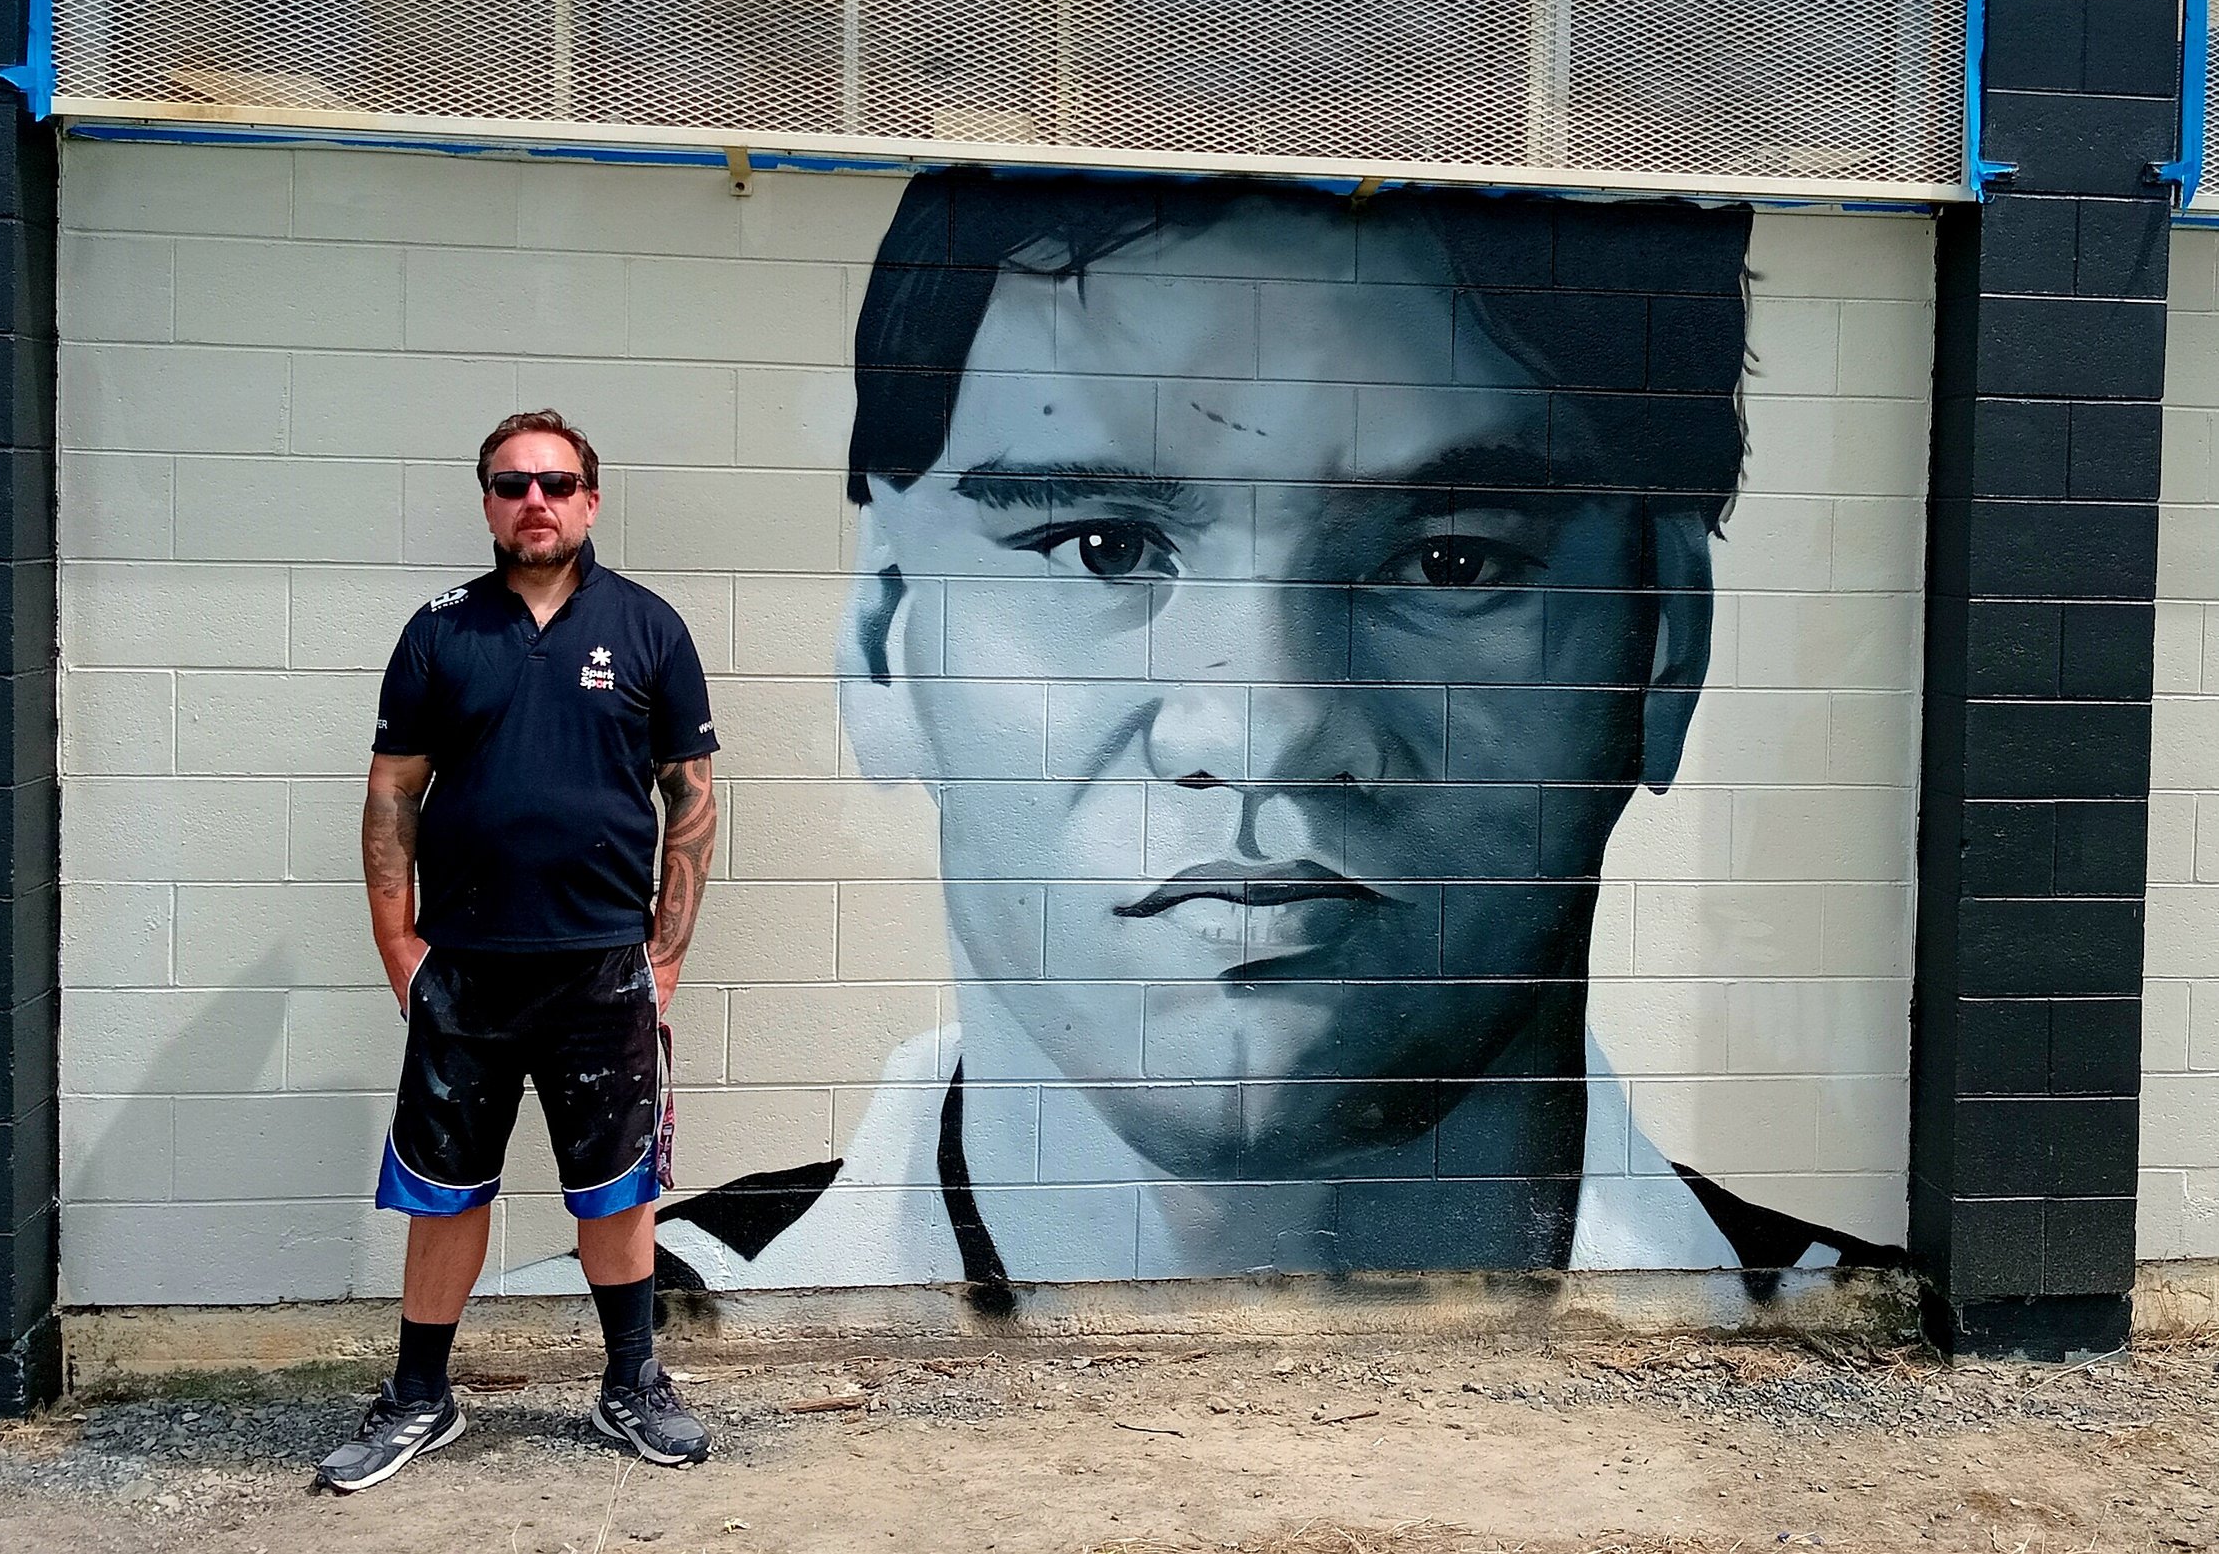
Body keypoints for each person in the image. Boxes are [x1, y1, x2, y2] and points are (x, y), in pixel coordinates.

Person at [646, 168, 1897, 1295]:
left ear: (1662, 645)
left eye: (1451, 561)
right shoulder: (650, 1304)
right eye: (1103, 547)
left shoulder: (1850, 1346)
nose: (1261, 728)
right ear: (880, 639)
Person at [316, 409, 722, 1493]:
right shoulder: (440, 631)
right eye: (509, 483)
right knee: (444, 1191)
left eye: (553, 482)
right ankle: (419, 1396)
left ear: (590, 498)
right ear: (487, 501)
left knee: (615, 1191)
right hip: (468, 968)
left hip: (601, 966)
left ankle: (631, 1381)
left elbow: (690, 795)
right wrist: (397, 939)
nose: (531, 501)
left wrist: (666, 954)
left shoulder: (648, 628)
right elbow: (393, 793)